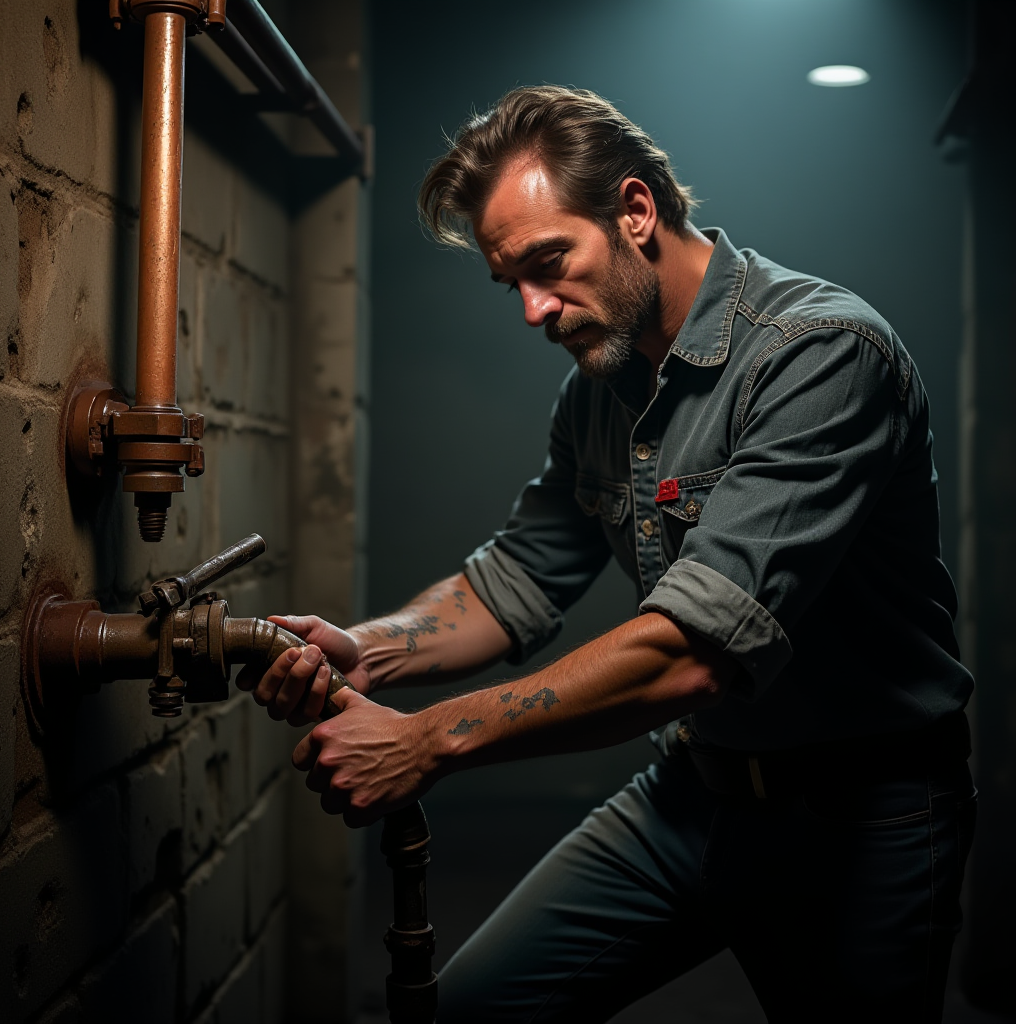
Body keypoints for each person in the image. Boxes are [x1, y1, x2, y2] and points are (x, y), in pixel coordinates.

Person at [240, 86, 976, 1022]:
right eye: (514, 283)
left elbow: (692, 650)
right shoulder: (600, 388)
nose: (536, 310)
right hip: (694, 794)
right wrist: (364, 647)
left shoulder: (821, 354)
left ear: (635, 211)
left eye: (550, 263)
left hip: (866, 817)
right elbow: (516, 576)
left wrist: (428, 739)